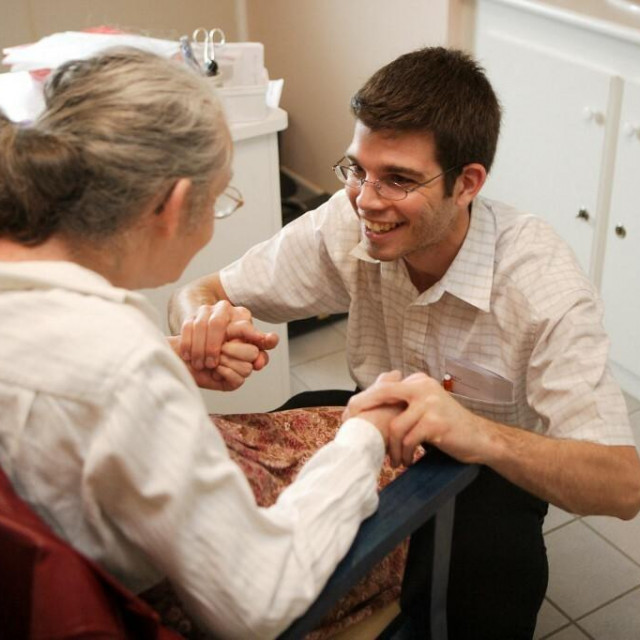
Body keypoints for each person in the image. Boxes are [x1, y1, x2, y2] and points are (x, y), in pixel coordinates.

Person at [169, 46, 640, 639]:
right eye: (357, 169)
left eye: (398, 179)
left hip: (491, 465)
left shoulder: (542, 289)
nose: (366, 199)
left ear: (467, 183)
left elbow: (623, 485)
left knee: (489, 577)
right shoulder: (352, 218)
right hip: (372, 418)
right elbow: (202, 289)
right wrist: (203, 328)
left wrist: (477, 434)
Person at [0, 48, 403, 640]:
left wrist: (171, 356)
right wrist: (366, 435)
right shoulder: (118, 364)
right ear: (173, 205)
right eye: (219, 202)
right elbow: (256, 604)